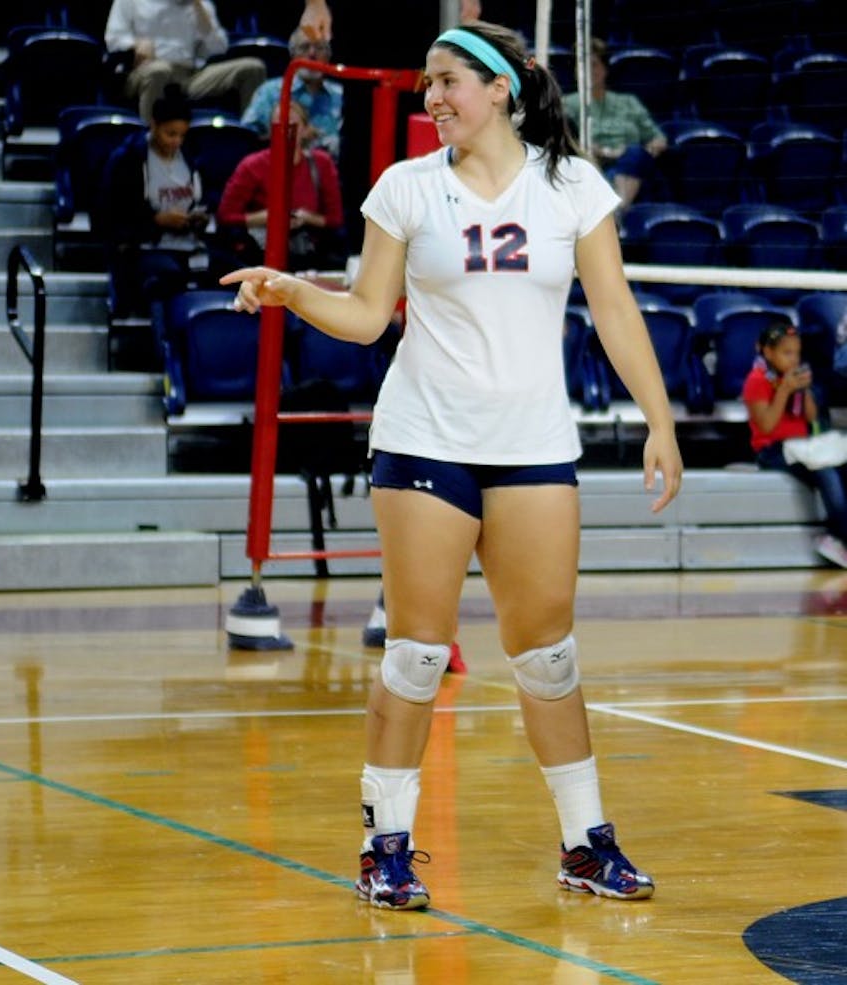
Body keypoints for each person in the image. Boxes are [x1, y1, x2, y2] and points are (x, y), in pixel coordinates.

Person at [221, 20, 682, 909]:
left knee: (548, 657)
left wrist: (659, 421)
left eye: (448, 82)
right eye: (428, 83)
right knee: (418, 654)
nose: (432, 98)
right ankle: (383, 846)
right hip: (425, 437)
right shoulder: (406, 188)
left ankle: (586, 845)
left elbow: (617, 312)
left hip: (536, 447)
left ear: (501, 88)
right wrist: (288, 287)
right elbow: (365, 315)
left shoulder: (571, 187)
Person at [99, 85, 217, 315]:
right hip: (144, 248)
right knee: (167, 277)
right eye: (170, 134)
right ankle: (165, 344)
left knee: (231, 274)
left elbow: (209, 197)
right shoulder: (128, 159)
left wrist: (200, 217)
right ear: (154, 125)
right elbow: (113, 215)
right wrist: (156, 220)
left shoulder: (192, 156)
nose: (176, 141)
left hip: (191, 244)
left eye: (182, 135)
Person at [742, 319, 847, 568]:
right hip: (773, 451)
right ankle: (839, 538)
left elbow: (810, 418)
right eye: (787, 353)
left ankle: (837, 534)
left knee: (842, 466)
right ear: (768, 352)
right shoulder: (756, 381)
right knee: (826, 472)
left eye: (797, 353)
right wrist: (784, 391)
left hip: (801, 446)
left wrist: (804, 391)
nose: (793, 359)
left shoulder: (794, 378)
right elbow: (766, 425)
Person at [217, 101, 345, 272]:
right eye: (280, 124)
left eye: (293, 125)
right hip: (261, 252)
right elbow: (225, 216)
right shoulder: (252, 165)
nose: (287, 130)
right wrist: (268, 217)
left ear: (306, 129)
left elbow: (335, 220)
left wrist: (306, 217)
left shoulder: (322, 163)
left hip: (308, 253)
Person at [105, 0, 266, 121]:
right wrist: (135, 44)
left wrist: (202, 16)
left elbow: (219, 48)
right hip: (144, 69)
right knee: (159, 70)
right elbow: (113, 38)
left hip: (190, 74)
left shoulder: (200, 5)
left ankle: (251, 137)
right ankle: (148, 141)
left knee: (253, 68)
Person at [563, 38, 667, 214]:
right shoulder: (565, 104)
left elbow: (658, 139)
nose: (588, 71)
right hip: (591, 165)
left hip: (630, 167)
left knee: (635, 154)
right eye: (581, 66)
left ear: (605, 69)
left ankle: (618, 210)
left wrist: (652, 147)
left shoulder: (628, 102)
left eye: (594, 65)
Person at [240, 28, 344, 159]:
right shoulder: (270, 92)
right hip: (281, 168)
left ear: (328, 57)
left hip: (330, 172)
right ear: (293, 56)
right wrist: (289, 136)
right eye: (304, 47)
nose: (312, 54)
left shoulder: (340, 95)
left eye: (319, 48)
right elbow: (246, 136)